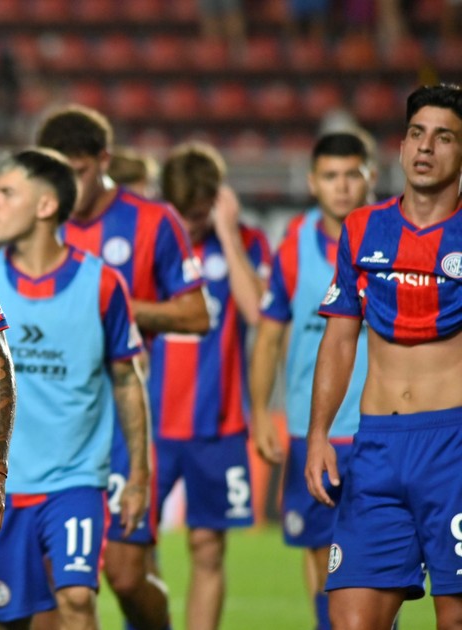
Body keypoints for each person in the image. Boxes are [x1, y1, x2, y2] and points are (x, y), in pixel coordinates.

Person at [37, 104, 209, 630]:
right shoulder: (37, 220)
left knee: (127, 575)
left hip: (120, 419)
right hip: (51, 424)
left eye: (79, 171)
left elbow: (196, 314)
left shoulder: (153, 221)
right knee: (54, 588)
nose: (69, 186)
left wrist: (117, 306)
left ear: (104, 161)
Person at [0, 148, 150, 629]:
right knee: (16, 619)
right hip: (0, 482)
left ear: (46, 205)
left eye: (6, 193)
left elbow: (127, 380)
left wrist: (139, 475)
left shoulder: (102, 284)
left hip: (75, 480)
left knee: (76, 598)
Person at [308, 83, 462, 629]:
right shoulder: (362, 228)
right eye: (417, 134)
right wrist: (319, 434)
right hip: (376, 447)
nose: (426, 147)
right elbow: (339, 338)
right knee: (351, 620)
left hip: (453, 446)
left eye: (444, 137)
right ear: (400, 147)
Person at [248, 131, 374, 630]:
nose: (342, 186)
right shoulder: (293, 249)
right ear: (312, 182)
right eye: (330, 175)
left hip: (378, 427)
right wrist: (262, 414)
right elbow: (268, 338)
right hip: (311, 428)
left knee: (379, 563)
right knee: (322, 559)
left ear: (371, 176)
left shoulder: (392, 242)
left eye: (352, 174)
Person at [153, 144, 270, 630]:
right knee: (131, 548)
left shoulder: (246, 242)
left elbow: (259, 313)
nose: (190, 226)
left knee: (207, 547)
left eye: (200, 215)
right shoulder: (151, 240)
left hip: (218, 423)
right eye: (182, 215)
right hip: (150, 423)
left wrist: (227, 233)